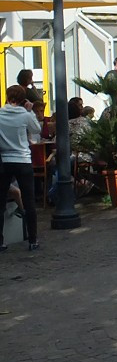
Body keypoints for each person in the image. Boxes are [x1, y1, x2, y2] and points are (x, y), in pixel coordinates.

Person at [0, 85, 41, 251]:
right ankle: (32, 240)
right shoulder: (25, 115)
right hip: (23, 160)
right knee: (29, 201)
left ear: (8, 97)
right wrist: (30, 111)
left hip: (4, 160)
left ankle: (1, 241)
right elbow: (36, 130)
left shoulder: (0, 114)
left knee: (1, 202)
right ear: (23, 99)